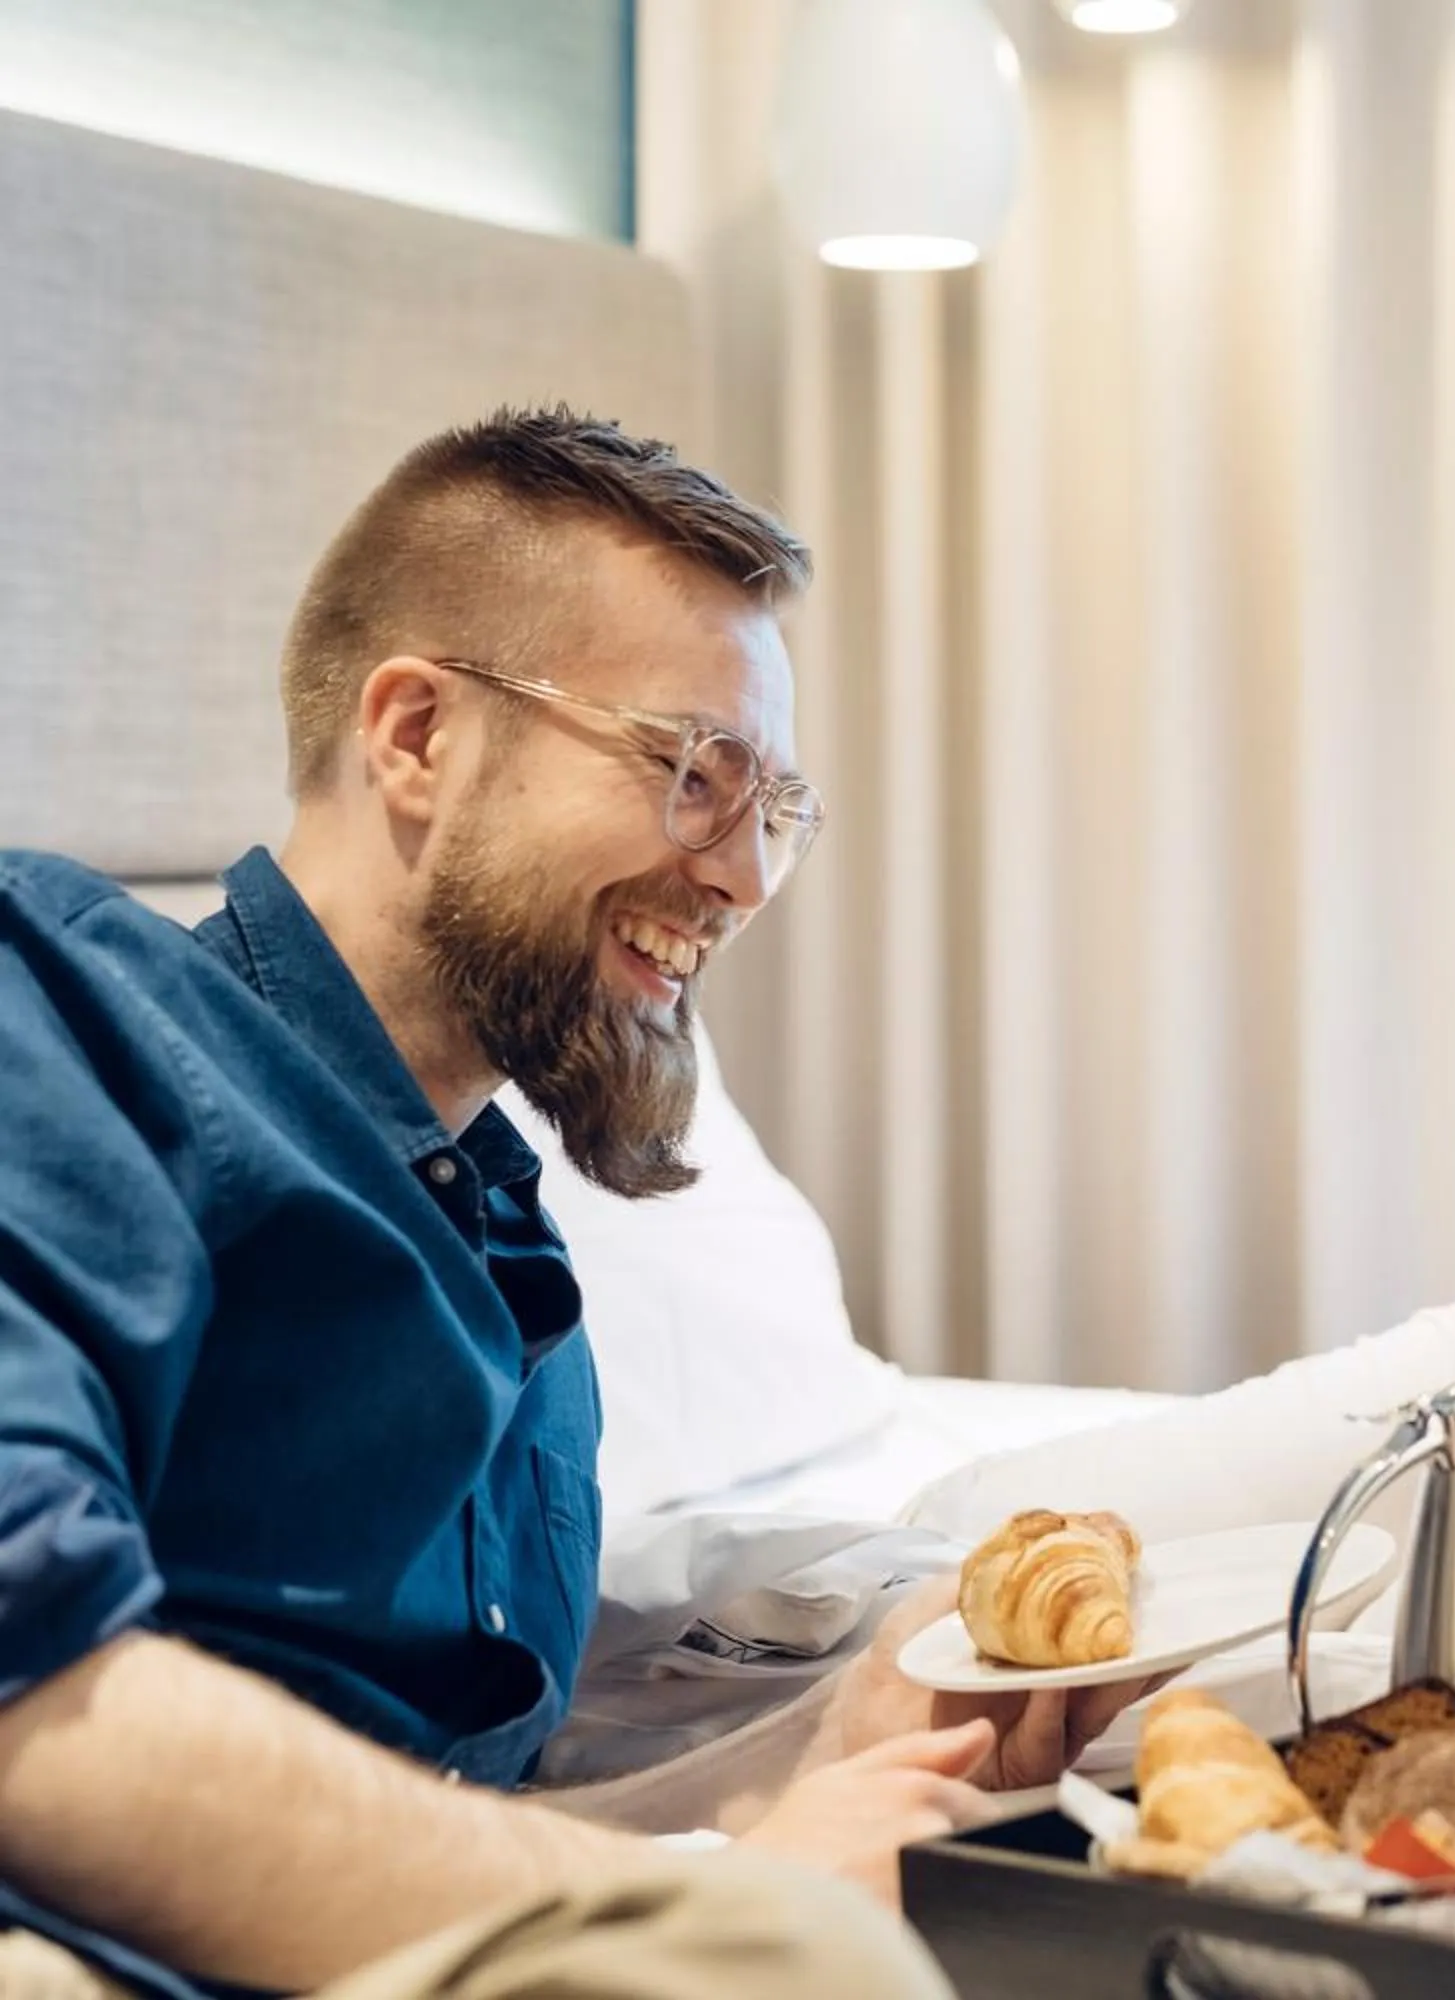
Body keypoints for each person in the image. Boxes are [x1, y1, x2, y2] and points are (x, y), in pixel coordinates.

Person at [0, 409, 1141, 1999]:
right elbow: (27, 1695)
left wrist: (815, 1759)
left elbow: (479, 1820)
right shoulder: (59, 1016)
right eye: (690, 772)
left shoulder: (509, 1245)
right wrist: (728, 1912)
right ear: (416, 736)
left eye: (777, 810)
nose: (740, 878)